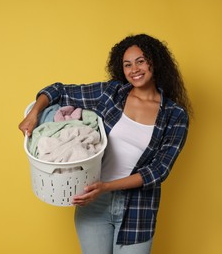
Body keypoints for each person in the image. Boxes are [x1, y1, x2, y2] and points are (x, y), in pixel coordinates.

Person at [18, 33, 192, 254]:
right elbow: (58, 90)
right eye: (127, 64)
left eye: (140, 61)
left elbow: (158, 171)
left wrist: (106, 187)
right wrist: (34, 114)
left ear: (154, 62)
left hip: (138, 209)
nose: (134, 69)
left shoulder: (175, 115)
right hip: (94, 205)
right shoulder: (111, 94)